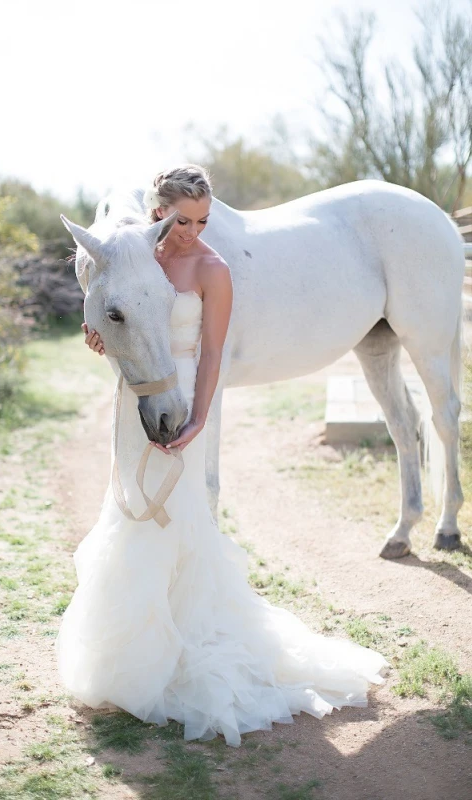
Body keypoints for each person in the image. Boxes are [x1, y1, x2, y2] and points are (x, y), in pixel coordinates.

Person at [55, 164, 387, 748]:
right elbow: (118, 312)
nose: (193, 231)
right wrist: (99, 333)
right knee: (130, 521)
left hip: (186, 403)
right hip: (142, 396)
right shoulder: (140, 259)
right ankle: (132, 653)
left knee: (182, 521)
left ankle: (188, 645)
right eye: (182, 220)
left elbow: (213, 355)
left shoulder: (213, 267)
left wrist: (200, 418)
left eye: (204, 220)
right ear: (158, 214)